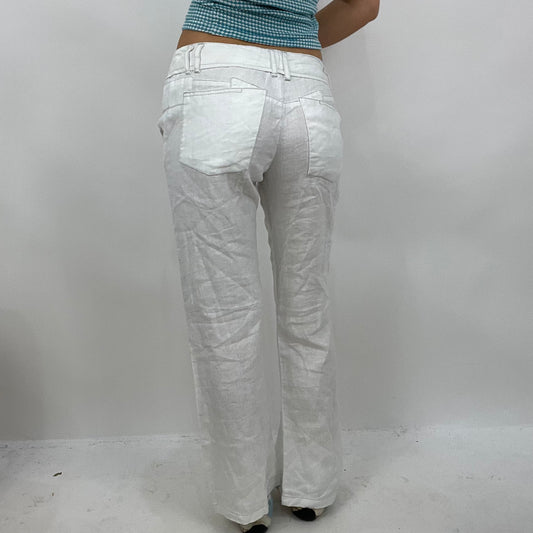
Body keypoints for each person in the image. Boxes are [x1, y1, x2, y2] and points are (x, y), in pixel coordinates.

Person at [156, 1, 379, 531]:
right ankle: (311, 489)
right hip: (308, 94)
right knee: (307, 311)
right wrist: (289, 31)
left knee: (225, 316)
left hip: (214, 79)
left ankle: (246, 503)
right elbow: (364, 5)